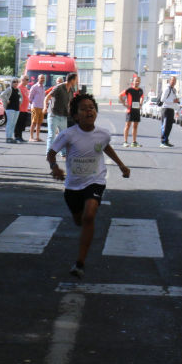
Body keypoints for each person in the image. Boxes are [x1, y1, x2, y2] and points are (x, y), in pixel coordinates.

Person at [47, 93, 130, 279]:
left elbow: (106, 146)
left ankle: (80, 262)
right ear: (75, 115)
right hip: (72, 186)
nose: (88, 111)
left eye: (91, 107)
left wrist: (121, 165)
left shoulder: (103, 134)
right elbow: (51, 153)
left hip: (95, 181)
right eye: (83, 109)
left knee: (89, 215)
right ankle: (82, 228)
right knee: (79, 220)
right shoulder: (68, 134)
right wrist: (55, 168)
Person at [44, 72, 77, 157]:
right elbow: (47, 97)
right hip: (53, 114)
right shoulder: (59, 87)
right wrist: (45, 107)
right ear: (72, 80)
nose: (76, 81)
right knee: (52, 135)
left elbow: (70, 102)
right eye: (76, 80)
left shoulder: (72, 89)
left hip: (63, 116)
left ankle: (63, 153)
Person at [119, 75, 145, 147]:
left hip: (136, 110)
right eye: (136, 81)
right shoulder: (129, 90)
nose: (137, 82)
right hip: (129, 110)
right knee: (127, 125)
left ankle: (134, 142)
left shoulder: (140, 90)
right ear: (133, 81)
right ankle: (125, 141)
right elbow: (120, 95)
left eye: (138, 81)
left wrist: (141, 103)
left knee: (135, 126)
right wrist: (124, 104)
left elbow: (142, 97)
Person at [159, 77, 181, 148]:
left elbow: (175, 101)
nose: (173, 82)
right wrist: (172, 101)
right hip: (165, 109)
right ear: (169, 81)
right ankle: (163, 142)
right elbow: (162, 99)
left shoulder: (174, 90)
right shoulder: (167, 89)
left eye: (175, 81)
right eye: (172, 80)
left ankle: (166, 140)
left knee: (169, 126)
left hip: (171, 109)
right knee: (165, 126)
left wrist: (177, 110)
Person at [0, 78, 21, 143]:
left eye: (17, 82)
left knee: (13, 123)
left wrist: (20, 102)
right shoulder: (9, 89)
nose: (16, 83)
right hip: (10, 108)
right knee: (10, 122)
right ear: (11, 82)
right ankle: (8, 137)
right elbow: (2, 95)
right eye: (14, 82)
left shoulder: (18, 90)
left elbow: (20, 97)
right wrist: (7, 100)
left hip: (17, 108)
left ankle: (11, 137)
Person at [28, 76, 46, 142]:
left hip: (41, 107)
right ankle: (31, 137)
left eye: (43, 78)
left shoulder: (43, 87)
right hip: (35, 106)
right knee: (33, 122)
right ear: (38, 79)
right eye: (41, 78)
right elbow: (30, 98)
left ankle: (37, 137)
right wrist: (33, 104)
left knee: (39, 123)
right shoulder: (34, 87)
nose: (42, 79)